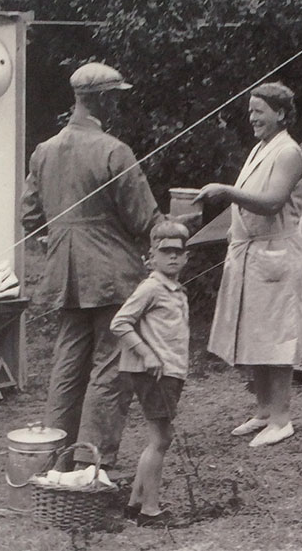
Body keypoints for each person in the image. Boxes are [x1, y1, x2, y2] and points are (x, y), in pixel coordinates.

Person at [21, 61, 165, 469]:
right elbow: (144, 219)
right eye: (116, 97)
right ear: (102, 100)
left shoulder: (44, 151)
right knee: (112, 366)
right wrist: (176, 226)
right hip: (112, 275)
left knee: (67, 364)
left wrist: (64, 238)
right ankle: (90, 465)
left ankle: (53, 459)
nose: (119, 105)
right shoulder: (113, 150)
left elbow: (30, 218)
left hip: (64, 272)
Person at [194, 82, 302, 448]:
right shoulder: (262, 148)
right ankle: (262, 412)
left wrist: (226, 191)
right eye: (250, 111)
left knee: (275, 337)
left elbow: (272, 202)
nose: (252, 117)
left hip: (275, 254)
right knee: (255, 333)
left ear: (281, 113)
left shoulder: (288, 152)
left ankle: (282, 418)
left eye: (259, 110)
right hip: (251, 254)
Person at [109, 221, 190, 528]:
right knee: (161, 438)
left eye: (178, 252)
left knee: (158, 438)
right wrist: (146, 353)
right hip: (154, 372)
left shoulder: (174, 289)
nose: (172, 257)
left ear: (186, 257)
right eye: (165, 251)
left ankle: (134, 504)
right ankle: (150, 511)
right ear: (151, 257)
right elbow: (120, 323)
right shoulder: (152, 287)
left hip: (169, 371)